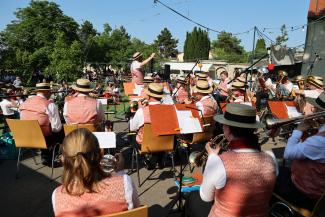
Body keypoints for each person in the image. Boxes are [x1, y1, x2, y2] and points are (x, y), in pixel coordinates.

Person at [185, 104, 277, 217]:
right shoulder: (271, 158)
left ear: (227, 129)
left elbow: (206, 197)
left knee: (192, 198)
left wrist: (212, 158)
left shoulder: (217, 161)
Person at [52, 128, 140, 217]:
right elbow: (136, 210)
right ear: (101, 153)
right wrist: (120, 173)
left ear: (64, 160)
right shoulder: (124, 184)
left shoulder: (57, 196)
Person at [274, 92, 325, 210]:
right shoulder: (319, 136)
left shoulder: (319, 141)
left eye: (316, 109)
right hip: (317, 186)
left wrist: (298, 130)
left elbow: (288, 153)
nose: (313, 110)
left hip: (305, 192)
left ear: (321, 113)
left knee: (268, 174)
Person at [19, 82, 62, 164]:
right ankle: (52, 156)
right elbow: (56, 128)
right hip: (43, 139)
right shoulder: (49, 105)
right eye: (50, 91)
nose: (51, 93)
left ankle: (46, 154)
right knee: (60, 130)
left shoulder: (25, 102)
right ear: (46, 92)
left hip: (25, 138)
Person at [130, 83, 165, 169]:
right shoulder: (169, 110)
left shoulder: (141, 111)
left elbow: (132, 128)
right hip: (165, 143)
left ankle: (146, 158)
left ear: (149, 96)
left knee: (131, 136)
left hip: (145, 143)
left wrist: (140, 109)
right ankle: (158, 159)